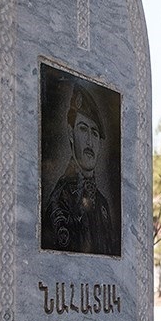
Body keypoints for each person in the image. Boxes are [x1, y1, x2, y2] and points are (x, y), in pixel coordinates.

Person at [43, 83, 119, 255]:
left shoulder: (103, 204)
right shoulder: (60, 200)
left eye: (94, 133)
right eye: (83, 129)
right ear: (71, 133)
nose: (89, 142)